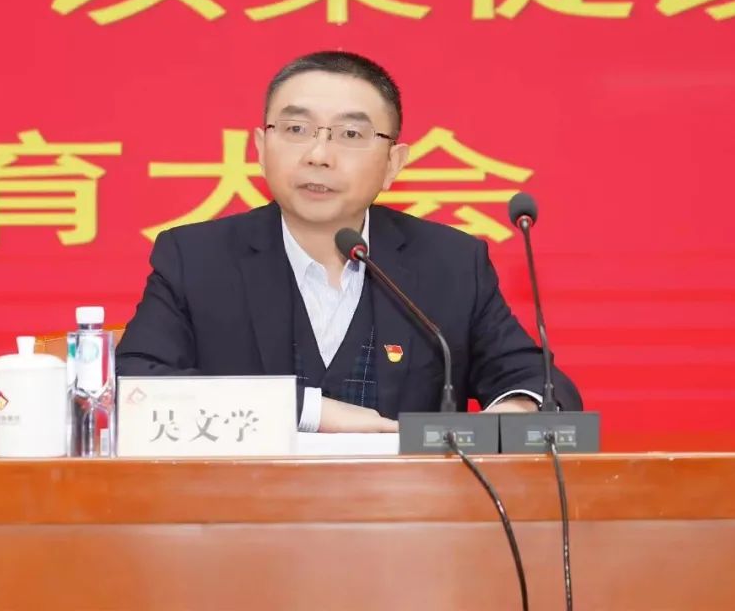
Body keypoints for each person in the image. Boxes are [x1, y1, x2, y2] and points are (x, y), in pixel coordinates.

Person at [116, 51, 583, 432]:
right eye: (296, 130)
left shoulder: (451, 263)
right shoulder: (195, 258)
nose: (319, 155)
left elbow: (540, 383)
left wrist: (517, 411)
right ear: (259, 148)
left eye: (351, 134)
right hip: (239, 512)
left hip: (412, 513)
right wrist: (308, 410)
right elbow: (134, 385)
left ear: (393, 163)